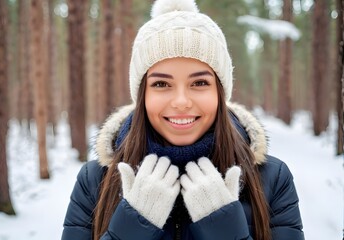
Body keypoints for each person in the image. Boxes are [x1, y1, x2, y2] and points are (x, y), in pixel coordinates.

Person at [61, 0, 304, 239]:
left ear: (220, 93)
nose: (181, 101)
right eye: (161, 84)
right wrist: (130, 229)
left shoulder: (272, 179)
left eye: (199, 83)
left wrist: (227, 232)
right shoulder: (95, 181)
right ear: (142, 95)